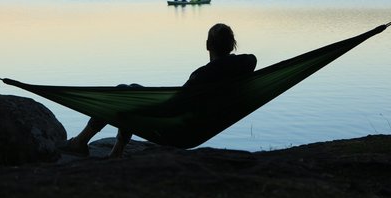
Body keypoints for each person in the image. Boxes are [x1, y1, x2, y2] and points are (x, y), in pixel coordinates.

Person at [58, 23, 256, 158]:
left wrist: (139, 106)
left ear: (207, 45)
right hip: (201, 122)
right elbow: (252, 59)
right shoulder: (243, 64)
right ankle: (116, 150)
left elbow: (173, 106)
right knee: (130, 91)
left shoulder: (203, 75)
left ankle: (82, 142)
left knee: (123, 96)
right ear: (232, 45)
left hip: (180, 127)